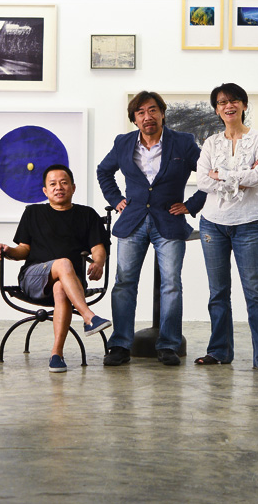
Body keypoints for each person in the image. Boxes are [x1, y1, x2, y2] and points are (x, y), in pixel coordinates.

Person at [97, 91, 206, 366]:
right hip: (132, 221)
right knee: (124, 283)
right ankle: (120, 345)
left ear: (162, 113)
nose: (148, 117)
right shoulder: (123, 143)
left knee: (171, 284)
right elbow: (103, 171)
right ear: (134, 119)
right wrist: (115, 199)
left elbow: (208, 173)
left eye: (153, 110)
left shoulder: (182, 142)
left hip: (168, 221)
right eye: (141, 112)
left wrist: (191, 205)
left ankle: (168, 345)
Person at [194, 82, 258, 373]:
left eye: (234, 100)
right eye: (222, 102)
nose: (228, 106)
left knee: (255, 291)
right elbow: (202, 181)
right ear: (216, 110)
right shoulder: (211, 142)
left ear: (244, 105)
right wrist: (238, 176)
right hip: (212, 224)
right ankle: (219, 351)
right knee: (218, 292)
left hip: (248, 223)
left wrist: (220, 174)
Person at [0, 164, 111, 373]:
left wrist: (98, 263)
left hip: (71, 283)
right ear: (45, 191)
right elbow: (23, 250)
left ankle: (56, 355)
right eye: (53, 184)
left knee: (60, 288)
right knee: (63, 263)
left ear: (73, 188)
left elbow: (98, 248)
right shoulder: (33, 212)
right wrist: (8, 250)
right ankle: (89, 317)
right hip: (34, 277)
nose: (59, 187)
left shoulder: (87, 214)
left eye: (64, 183)